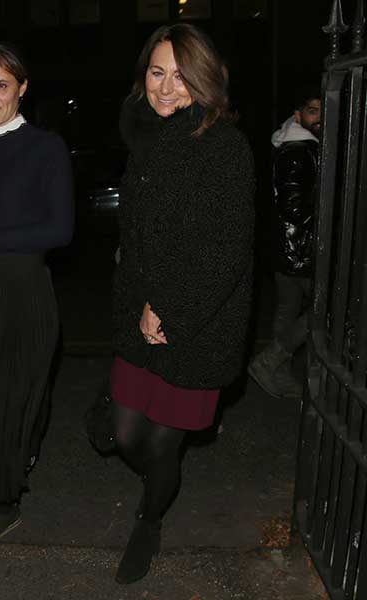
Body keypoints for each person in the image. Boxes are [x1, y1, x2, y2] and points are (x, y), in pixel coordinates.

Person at [111, 23, 255, 584]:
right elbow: (135, 238)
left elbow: (226, 253)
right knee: (126, 434)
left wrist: (168, 309)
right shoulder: (144, 140)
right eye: (157, 72)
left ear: (204, 81)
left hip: (196, 322)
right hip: (139, 314)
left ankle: (149, 520)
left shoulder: (224, 148)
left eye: (180, 75)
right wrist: (138, 304)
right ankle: (155, 482)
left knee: (160, 441)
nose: (167, 88)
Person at [0, 43, 74, 550]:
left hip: (24, 293)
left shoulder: (46, 148)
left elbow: (60, 229)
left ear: (22, 88)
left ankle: (2, 501)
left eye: (2, 85)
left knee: (9, 400)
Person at [248, 87, 321, 398]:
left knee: (287, 310)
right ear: (298, 115)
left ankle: (279, 373)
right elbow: (293, 207)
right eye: (312, 111)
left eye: (322, 110)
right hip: (300, 250)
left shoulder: (288, 144)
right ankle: (271, 361)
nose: (319, 118)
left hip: (283, 247)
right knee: (323, 312)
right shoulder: (300, 151)